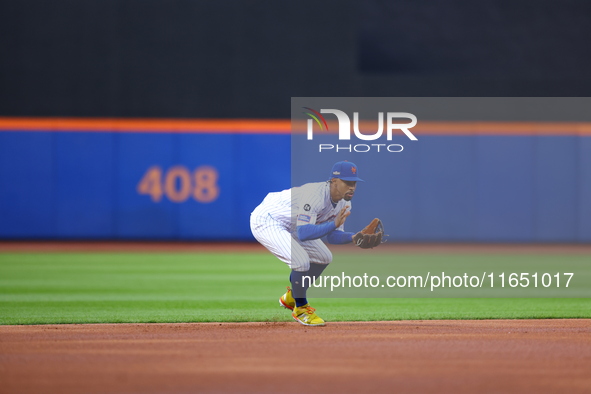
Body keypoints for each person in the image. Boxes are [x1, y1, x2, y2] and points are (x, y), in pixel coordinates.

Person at [250, 161, 364, 326]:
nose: (352, 187)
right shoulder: (315, 195)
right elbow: (304, 233)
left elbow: (333, 236)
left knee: (324, 257)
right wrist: (333, 224)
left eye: (354, 183)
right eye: (347, 182)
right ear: (334, 181)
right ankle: (301, 308)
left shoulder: (344, 202)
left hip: (293, 225)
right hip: (269, 219)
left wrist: (355, 237)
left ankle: (291, 298)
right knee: (301, 261)